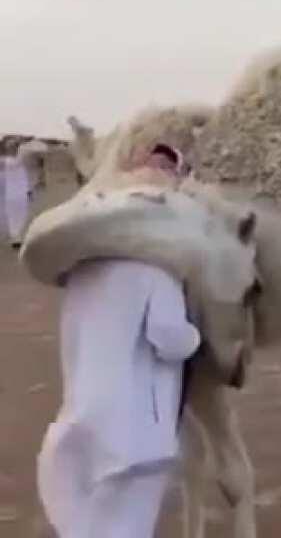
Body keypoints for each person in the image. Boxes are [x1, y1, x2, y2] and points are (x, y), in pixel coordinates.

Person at [37, 144, 200, 538]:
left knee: (83, 522)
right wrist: (197, 334)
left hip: (82, 416)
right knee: (127, 524)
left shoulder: (81, 270)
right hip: (135, 430)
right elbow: (170, 338)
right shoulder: (157, 267)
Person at [4, 154, 30, 249]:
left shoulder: (17, 162)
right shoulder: (18, 162)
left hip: (14, 194)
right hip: (14, 194)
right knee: (17, 216)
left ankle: (16, 237)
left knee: (15, 217)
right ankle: (16, 237)